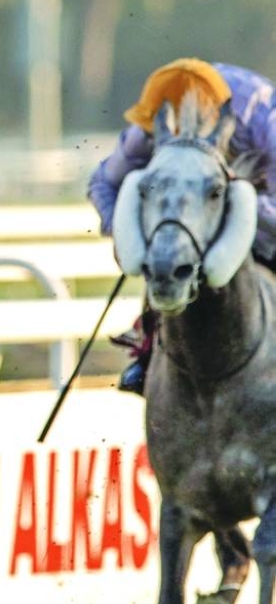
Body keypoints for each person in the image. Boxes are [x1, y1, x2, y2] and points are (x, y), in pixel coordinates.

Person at [88, 58, 276, 394]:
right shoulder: (149, 125)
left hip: (261, 198)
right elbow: (104, 183)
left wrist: (234, 209)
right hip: (193, 209)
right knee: (168, 246)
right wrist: (126, 232)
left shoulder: (263, 121)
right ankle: (148, 351)